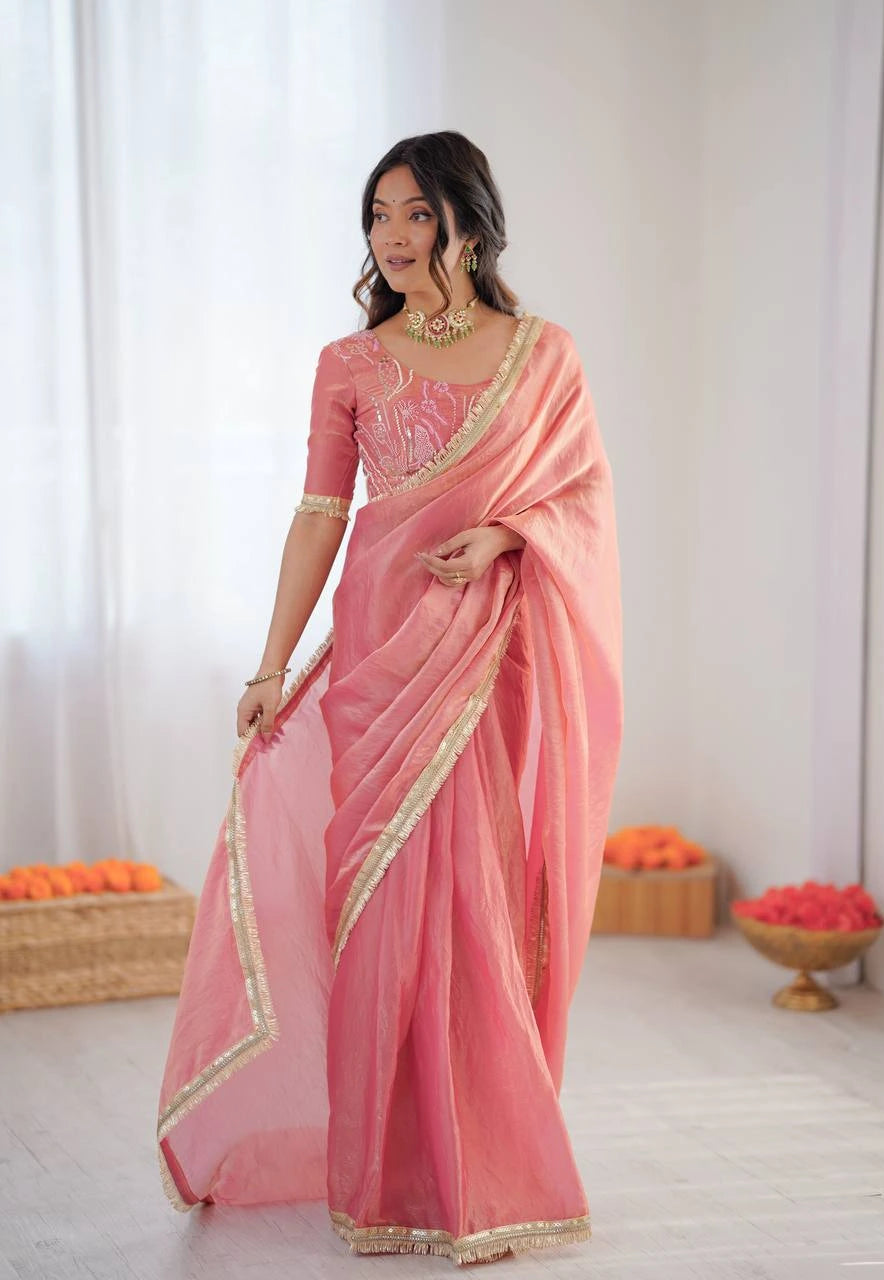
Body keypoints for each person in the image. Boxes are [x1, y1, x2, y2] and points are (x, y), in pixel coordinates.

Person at [156, 130, 624, 1267]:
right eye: (378, 217)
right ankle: (385, 1174)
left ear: (468, 219)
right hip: (378, 655)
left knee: (476, 901)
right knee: (373, 911)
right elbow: (320, 514)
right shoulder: (350, 362)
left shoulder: (543, 354)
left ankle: (484, 1166)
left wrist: (505, 529)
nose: (394, 238)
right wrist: (271, 667)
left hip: (488, 655)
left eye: (416, 214)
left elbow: (581, 500)